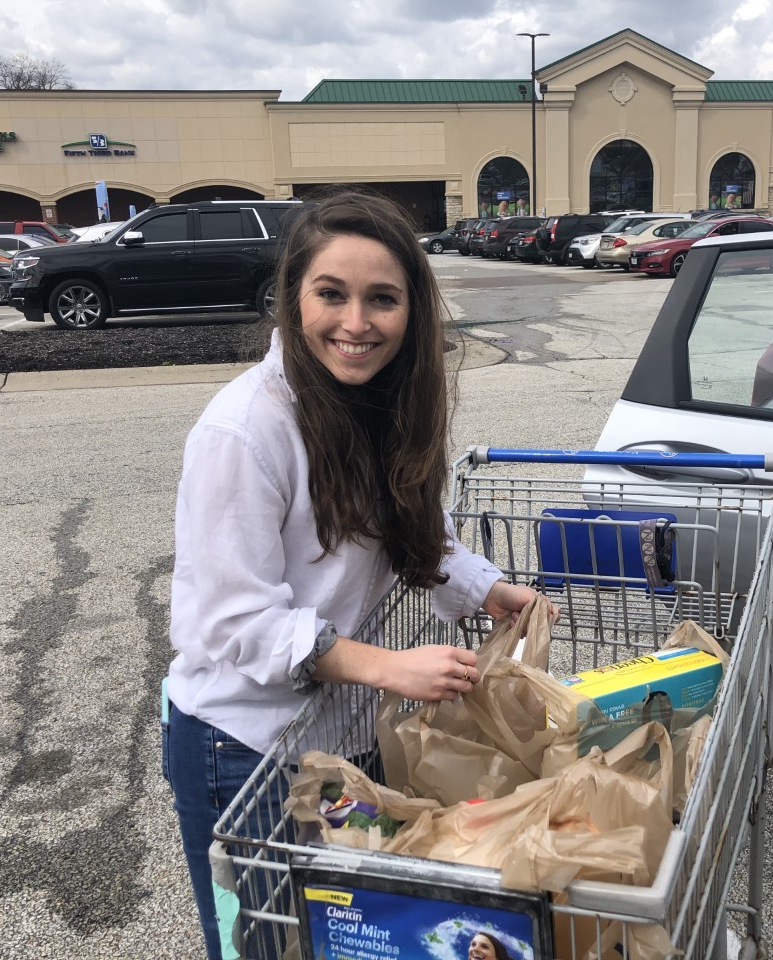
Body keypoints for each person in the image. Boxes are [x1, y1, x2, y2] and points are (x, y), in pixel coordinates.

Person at [161, 189, 551, 959]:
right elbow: (231, 619)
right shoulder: (243, 431)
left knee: (347, 938)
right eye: (331, 295)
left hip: (341, 739)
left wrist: (487, 587)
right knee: (271, 949)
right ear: (293, 298)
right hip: (245, 748)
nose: (356, 324)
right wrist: (389, 668)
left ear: (412, 311)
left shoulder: (377, 402)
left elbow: (413, 530)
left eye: (383, 300)